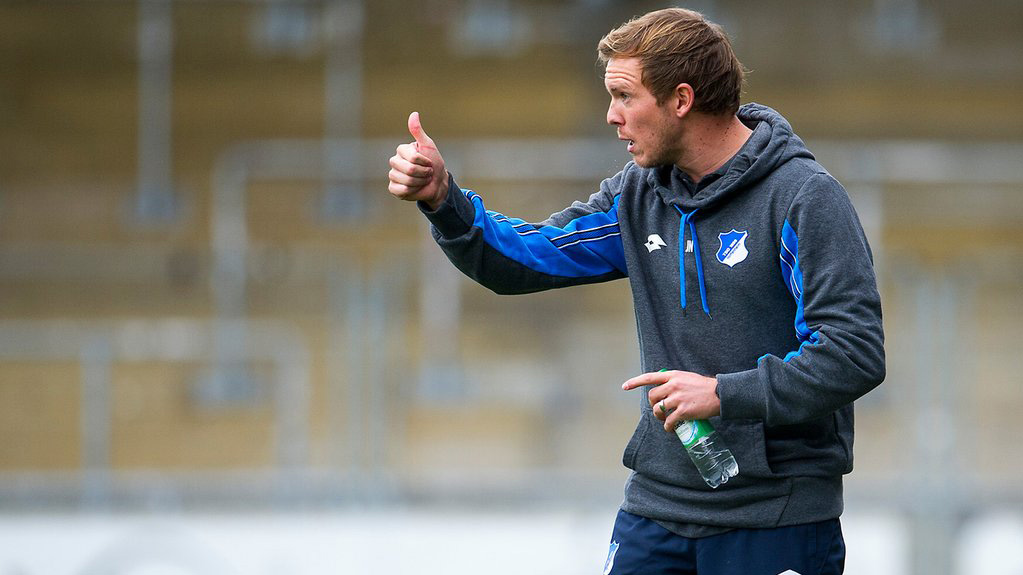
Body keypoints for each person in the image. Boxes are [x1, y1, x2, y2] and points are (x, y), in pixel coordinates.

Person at [387, 7, 884, 575]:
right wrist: (443, 198)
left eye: (625, 96)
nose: (611, 116)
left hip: (775, 518)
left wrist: (726, 393)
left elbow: (853, 353)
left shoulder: (803, 199)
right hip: (657, 510)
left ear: (680, 99)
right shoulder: (639, 195)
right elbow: (533, 257)